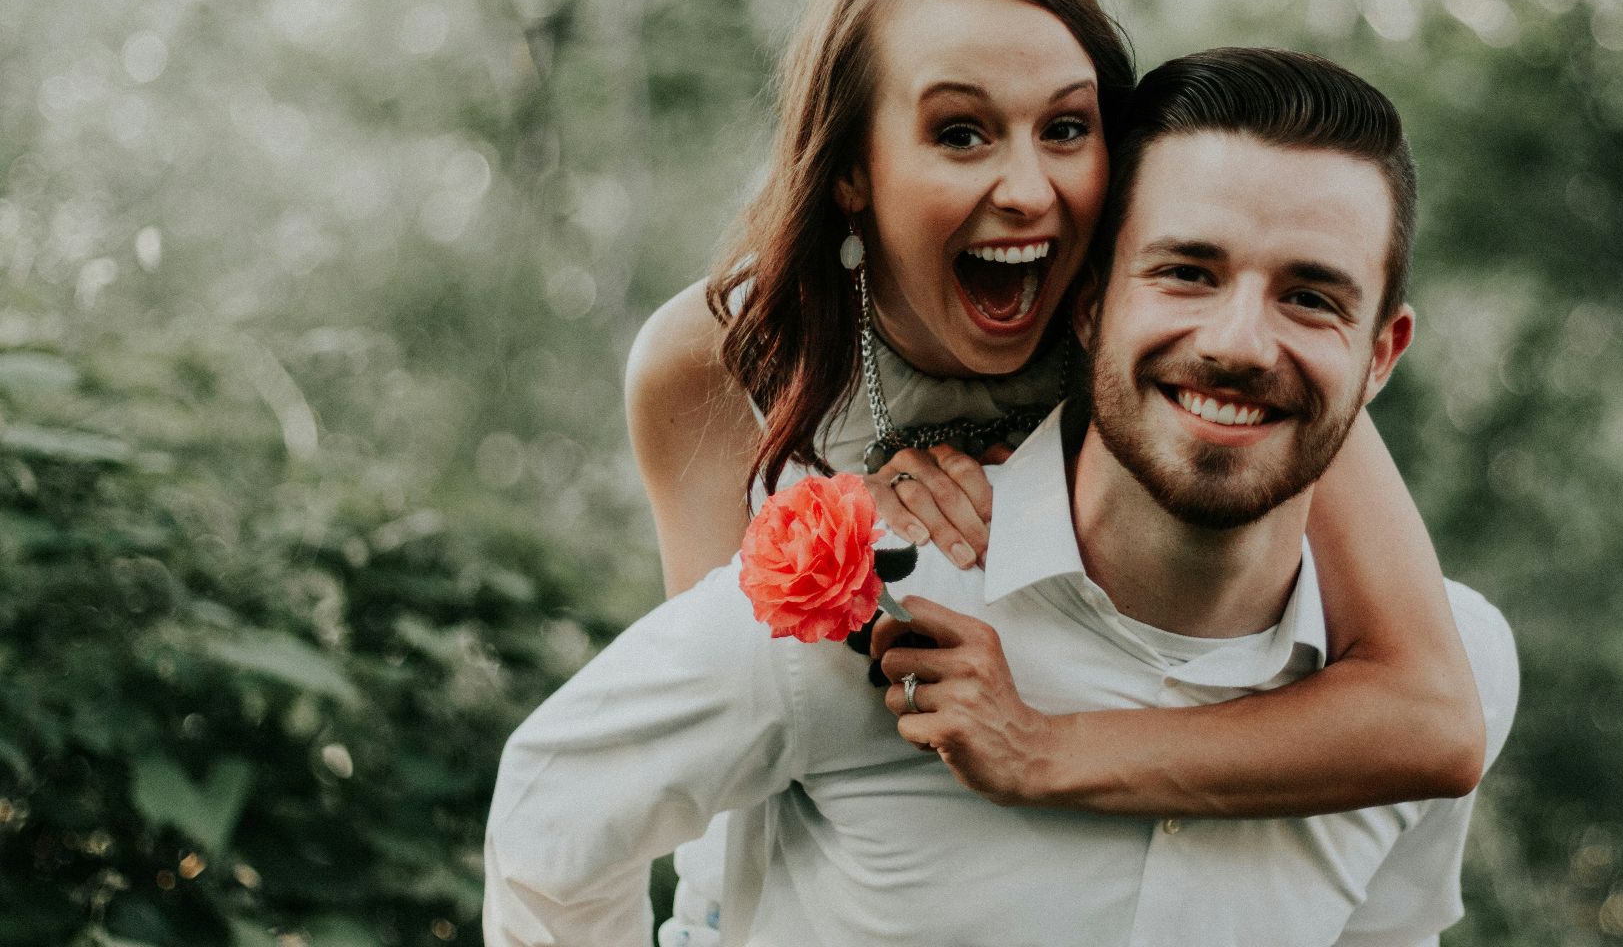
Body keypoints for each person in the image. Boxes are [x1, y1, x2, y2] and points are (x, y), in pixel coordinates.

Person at [488, 47, 1520, 945]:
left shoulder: (1456, 665)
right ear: (1087, 302)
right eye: (1186, 272)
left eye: (1310, 296)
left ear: (1383, 353)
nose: (1240, 343)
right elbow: (555, 813)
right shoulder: (869, 602)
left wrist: (1046, 750)